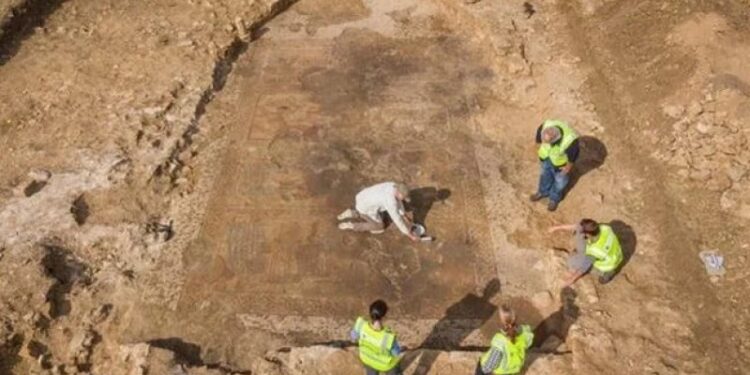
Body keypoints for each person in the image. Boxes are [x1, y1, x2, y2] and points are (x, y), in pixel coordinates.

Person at [548, 218, 624, 286]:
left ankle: (607, 274)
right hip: (615, 252)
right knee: (583, 249)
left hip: (609, 264)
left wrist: (571, 280)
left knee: (574, 262)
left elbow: (583, 269)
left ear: (588, 234)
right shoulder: (604, 228)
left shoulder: (595, 250)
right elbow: (577, 227)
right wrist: (557, 228)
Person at [337, 182, 419, 241]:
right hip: (365, 208)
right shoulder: (390, 201)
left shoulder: (392, 185)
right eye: (404, 197)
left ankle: (351, 212)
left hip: (361, 197)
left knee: (377, 212)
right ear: (399, 193)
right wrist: (409, 234)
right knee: (380, 226)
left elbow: (399, 202)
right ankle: (352, 225)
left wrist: (404, 215)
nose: (404, 199)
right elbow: (397, 219)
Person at [529, 119, 579, 211]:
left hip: (560, 164)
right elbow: (538, 142)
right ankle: (542, 192)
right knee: (545, 175)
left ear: (556, 139)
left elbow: (573, 157)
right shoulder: (544, 126)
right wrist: (540, 153)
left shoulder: (570, 141)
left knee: (560, 182)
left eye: (548, 142)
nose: (545, 143)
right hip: (545, 158)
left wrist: (567, 168)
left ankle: (554, 199)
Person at [476, 305, 534, 375]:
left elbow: (489, 366)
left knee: (482, 368)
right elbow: (528, 342)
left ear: (501, 323)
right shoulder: (525, 334)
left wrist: (482, 368)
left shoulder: (500, 342)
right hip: (512, 370)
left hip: (500, 372)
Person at [351, 300, 403, 375]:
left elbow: (353, 337)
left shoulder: (361, 324)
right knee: (394, 368)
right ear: (384, 316)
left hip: (367, 358)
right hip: (385, 365)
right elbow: (396, 353)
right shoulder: (388, 337)